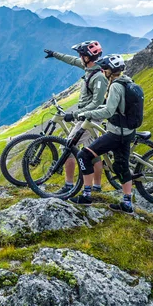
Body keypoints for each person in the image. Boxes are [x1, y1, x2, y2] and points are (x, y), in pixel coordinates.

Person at [70, 54, 137, 213]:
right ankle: (127, 204)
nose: (103, 71)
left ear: (109, 70)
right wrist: (92, 111)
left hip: (116, 133)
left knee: (84, 156)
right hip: (127, 132)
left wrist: (87, 114)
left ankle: (86, 195)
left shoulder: (115, 86)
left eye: (104, 68)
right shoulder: (129, 82)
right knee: (122, 167)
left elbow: (108, 111)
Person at [43, 41, 108, 195]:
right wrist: (54, 54)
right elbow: (71, 60)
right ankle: (96, 188)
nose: (79, 56)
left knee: (67, 147)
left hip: (90, 118)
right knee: (93, 152)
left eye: (82, 54)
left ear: (89, 56)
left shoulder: (99, 77)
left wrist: (76, 115)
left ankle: (68, 185)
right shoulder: (89, 68)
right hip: (87, 117)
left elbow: (97, 103)